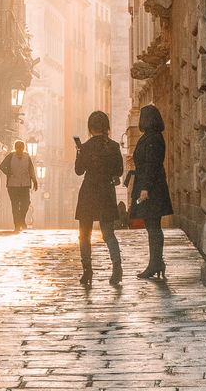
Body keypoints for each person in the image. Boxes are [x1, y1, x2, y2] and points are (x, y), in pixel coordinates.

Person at [74, 110, 124, 287]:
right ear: (106, 127)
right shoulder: (114, 146)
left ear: (90, 127)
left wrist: (79, 152)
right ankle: (117, 267)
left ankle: (87, 270)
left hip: (88, 193)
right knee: (109, 233)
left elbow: (79, 170)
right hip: (106, 193)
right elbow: (119, 171)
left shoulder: (85, 147)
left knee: (84, 234)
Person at [130, 103, 173, 279]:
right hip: (152, 186)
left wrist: (145, 188)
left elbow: (151, 165)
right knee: (152, 226)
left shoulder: (153, 139)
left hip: (152, 189)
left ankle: (155, 264)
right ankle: (156, 263)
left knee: (153, 227)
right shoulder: (151, 137)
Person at [0, 140, 38, 232]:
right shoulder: (10, 156)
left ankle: (21, 219)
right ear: (15, 148)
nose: (20, 149)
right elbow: (2, 166)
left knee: (26, 203)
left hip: (24, 184)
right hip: (13, 185)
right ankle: (17, 224)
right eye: (18, 148)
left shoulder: (27, 157)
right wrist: (9, 173)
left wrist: (35, 181)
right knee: (15, 205)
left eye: (21, 148)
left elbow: (31, 169)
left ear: (23, 148)